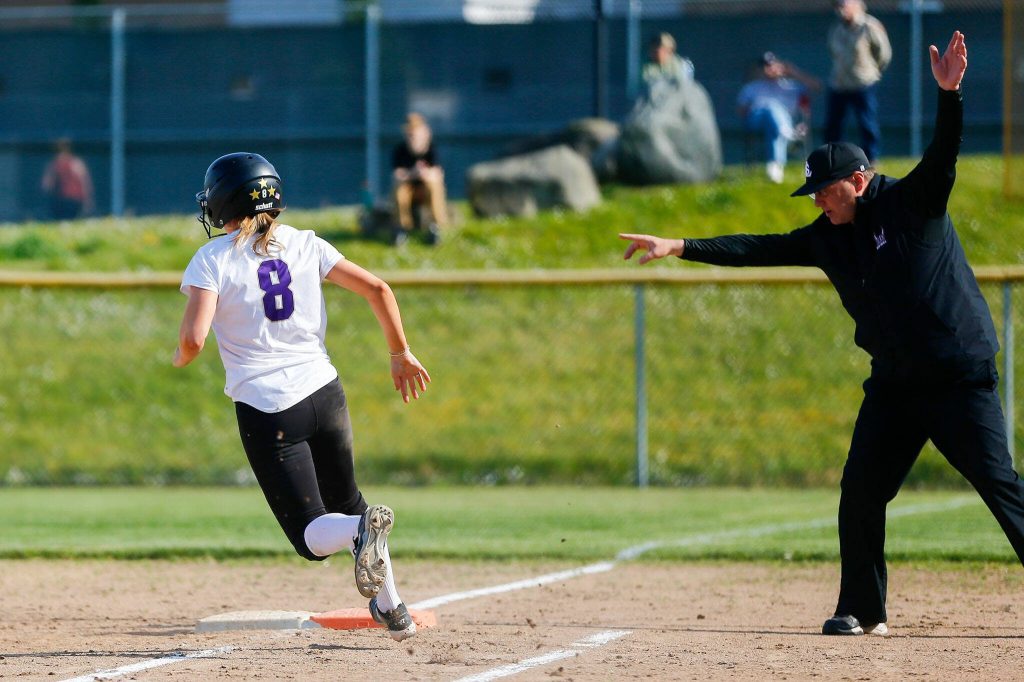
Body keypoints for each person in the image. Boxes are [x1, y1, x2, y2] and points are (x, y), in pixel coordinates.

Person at [621, 32, 1024, 637]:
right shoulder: (828, 233)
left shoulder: (912, 203)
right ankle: (863, 609)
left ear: (858, 181)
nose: (818, 202)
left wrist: (950, 95)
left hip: (955, 378)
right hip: (894, 386)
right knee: (860, 492)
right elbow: (760, 248)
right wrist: (681, 245)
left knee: (1001, 490)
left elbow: (944, 154)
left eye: (824, 191)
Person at [174, 152, 430, 642]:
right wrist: (400, 352)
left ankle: (361, 537)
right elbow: (378, 288)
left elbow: (192, 340)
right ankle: (392, 608)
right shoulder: (306, 242)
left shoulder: (214, 257)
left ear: (226, 201)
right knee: (352, 503)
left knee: (313, 538)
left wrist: (181, 359)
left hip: (269, 406)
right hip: (324, 392)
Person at [737, 51, 821, 184]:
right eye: (765, 66)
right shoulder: (753, 87)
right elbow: (741, 111)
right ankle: (787, 134)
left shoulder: (791, 86)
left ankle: (774, 166)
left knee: (775, 129)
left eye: (771, 65)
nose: (768, 69)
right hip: (757, 120)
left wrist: (793, 72)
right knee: (771, 108)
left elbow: (817, 86)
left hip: (784, 122)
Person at [824, 0, 892, 164]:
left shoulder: (869, 26)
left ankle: (871, 159)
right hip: (839, 84)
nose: (840, 9)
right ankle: (833, 160)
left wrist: (870, 72)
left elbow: (883, 54)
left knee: (867, 124)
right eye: (837, 6)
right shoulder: (837, 29)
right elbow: (833, 52)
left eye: (844, 4)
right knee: (833, 126)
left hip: (863, 83)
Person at [391, 113, 448, 246]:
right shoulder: (400, 150)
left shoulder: (431, 149)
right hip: (409, 187)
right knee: (400, 191)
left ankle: (435, 227)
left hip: (425, 187)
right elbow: (397, 175)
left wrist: (424, 173)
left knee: (433, 186)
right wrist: (413, 173)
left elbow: (437, 174)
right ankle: (401, 228)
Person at [40, 138, 94, 220]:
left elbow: (46, 185)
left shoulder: (74, 163)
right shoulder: (57, 164)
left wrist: (87, 200)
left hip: (71, 200)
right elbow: (47, 184)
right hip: (63, 200)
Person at [641, 32, 694, 104]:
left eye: (660, 48)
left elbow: (685, 88)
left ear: (670, 50)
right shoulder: (646, 67)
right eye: (653, 47)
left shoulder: (683, 64)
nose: (655, 51)